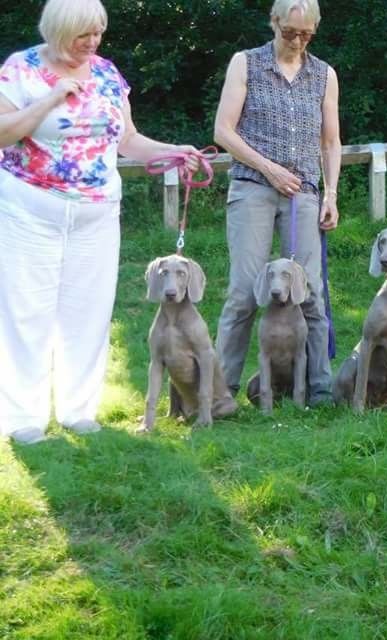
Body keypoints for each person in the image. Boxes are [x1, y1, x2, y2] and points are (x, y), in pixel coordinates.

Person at [0, 0, 200, 445]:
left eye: (98, 33)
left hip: (97, 214)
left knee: (87, 312)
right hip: (30, 209)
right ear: (58, 32)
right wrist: (52, 97)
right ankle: (22, 418)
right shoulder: (21, 70)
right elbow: (3, 132)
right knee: (26, 311)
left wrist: (172, 153)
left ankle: (78, 411)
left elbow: (127, 139)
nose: (93, 42)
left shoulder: (107, 73)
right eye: (83, 35)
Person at [213, 0, 340, 407]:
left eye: (306, 35)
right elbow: (223, 131)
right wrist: (269, 169)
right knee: (245, 291)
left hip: (304, 192)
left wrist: (330, 195)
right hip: (253, 187)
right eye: (290, 33)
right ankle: (220, 392)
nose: (297, 41)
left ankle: (320, 390)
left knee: (311, 291)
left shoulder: (324, 74)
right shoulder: (246, 63)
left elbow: (330, 142)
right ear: (274, 23)